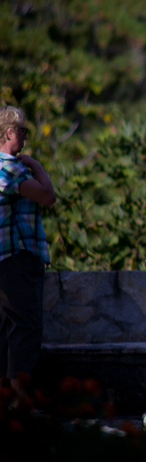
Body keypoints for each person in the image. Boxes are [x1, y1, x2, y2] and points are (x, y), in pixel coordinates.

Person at [0, 106, 56, 399]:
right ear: (10, 133)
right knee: (25, 328)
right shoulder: (10, 168)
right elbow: (47, 197)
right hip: (17, 257)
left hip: (5, 258)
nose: (25, 137)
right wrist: (39, 167)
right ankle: (20, 404)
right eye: (23, 131)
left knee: (6, 331)